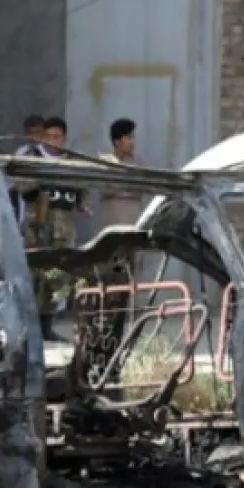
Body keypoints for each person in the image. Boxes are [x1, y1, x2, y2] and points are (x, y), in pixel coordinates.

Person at [18, 117, 85, 341]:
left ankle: (47, 325)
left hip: (63, 227)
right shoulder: (32, 157)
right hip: (37, 225)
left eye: (58, 136)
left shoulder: (73, 161)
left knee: (59, 277)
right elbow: (20, 185)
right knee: (34, 275)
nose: (53, 141)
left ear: (64, 138)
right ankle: (30, 327)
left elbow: (82, 185)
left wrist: (82, 203)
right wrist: (41, 181)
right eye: (49, 136)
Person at [98, 117, 147, 229]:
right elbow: (105, 189)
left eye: (133, 137)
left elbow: (141, 189)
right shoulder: (106, 162)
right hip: (112, 220)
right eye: (128, 138)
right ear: (117, 141)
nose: (132, 142)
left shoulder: (138, 163)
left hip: (134, 220)